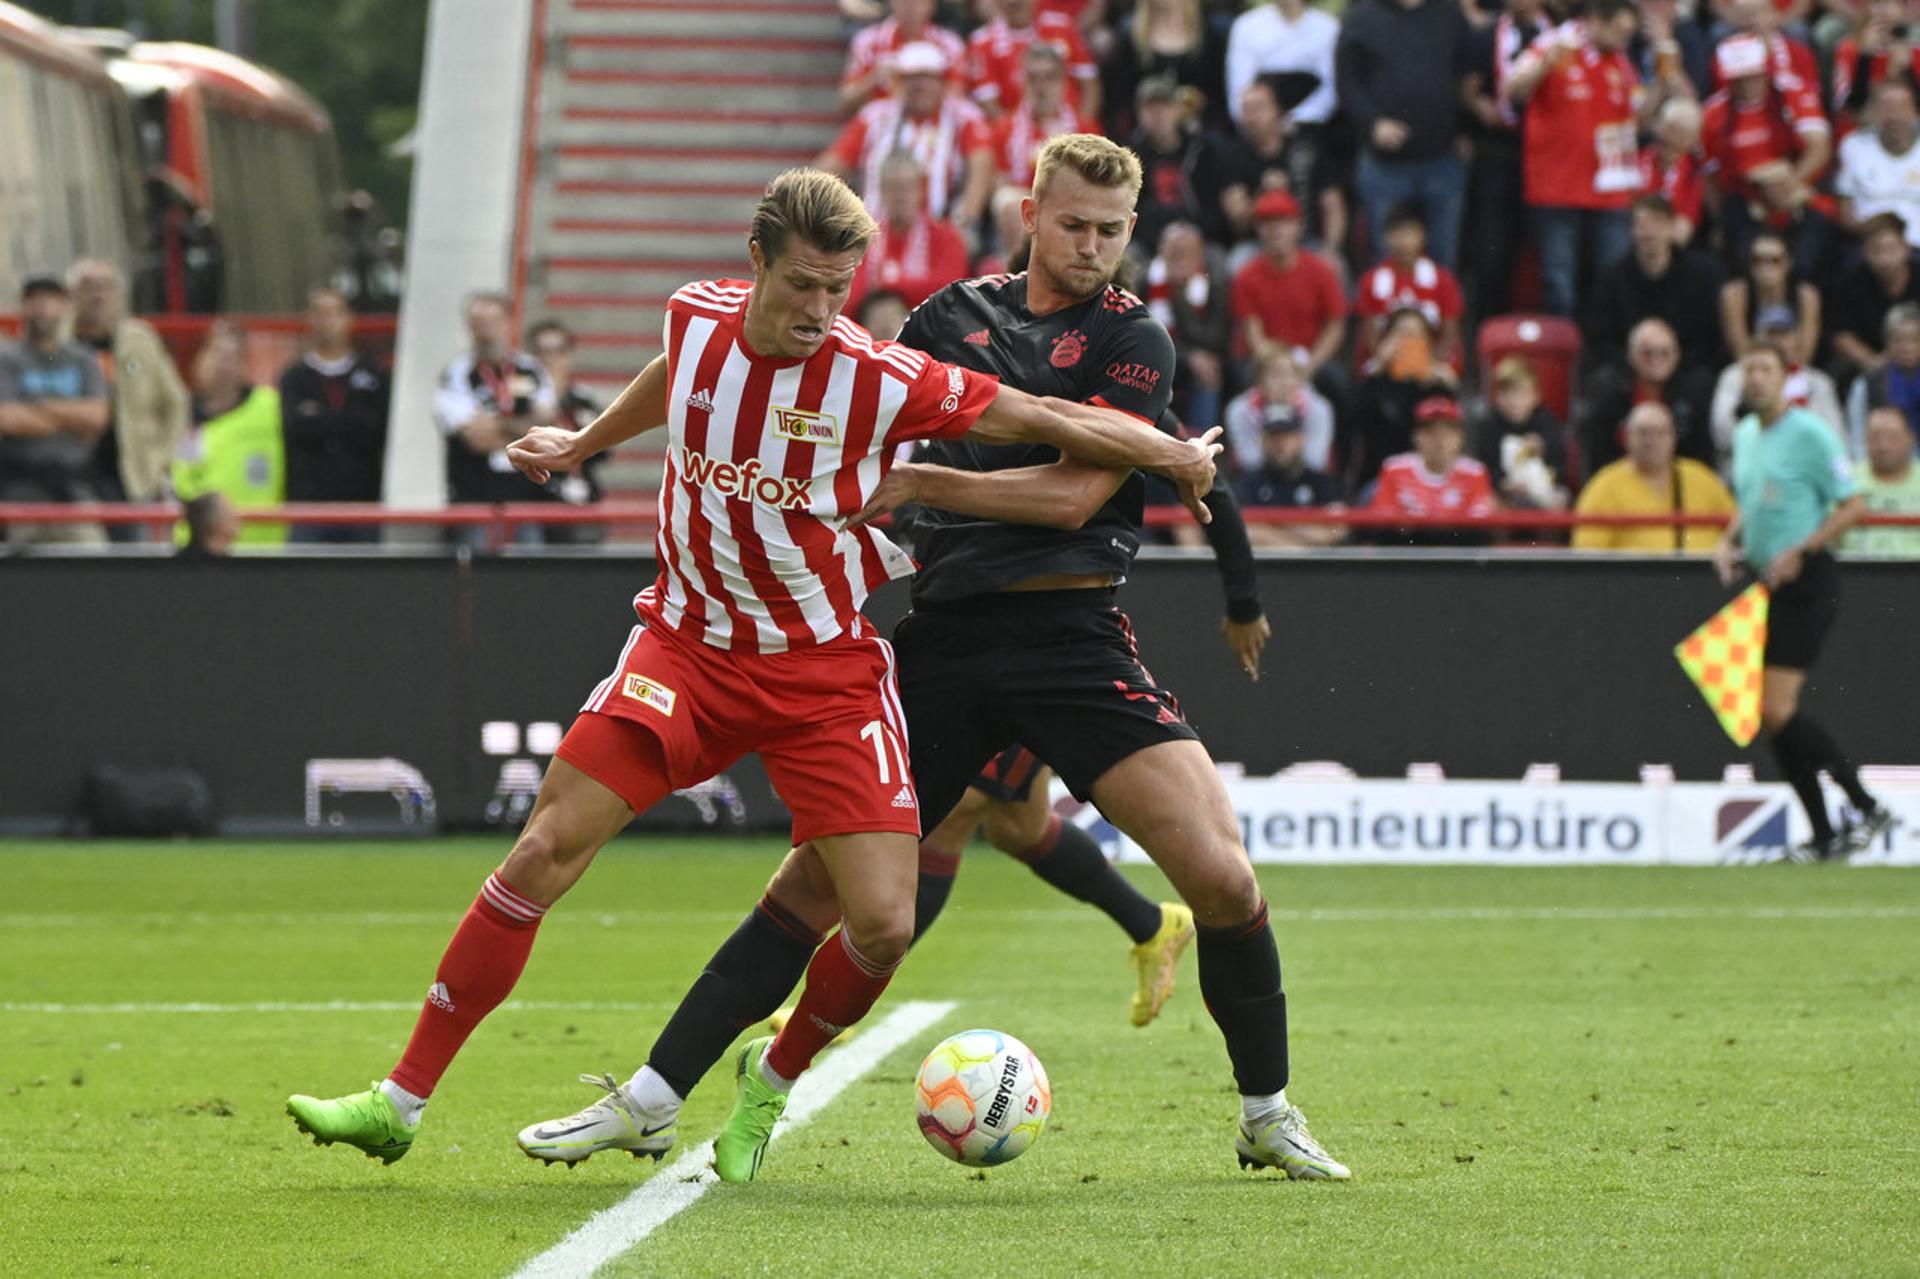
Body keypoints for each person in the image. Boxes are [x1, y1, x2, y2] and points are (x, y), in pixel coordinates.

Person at [287, 165, 1224, 1180]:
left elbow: (1051, 420)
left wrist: (1170, 452)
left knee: (882, 921)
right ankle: (400, 1099)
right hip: (684, 650)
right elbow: (672, 375)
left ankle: (769, 1081)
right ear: (755, 266)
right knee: (543, 849)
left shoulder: (881, 374)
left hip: (824, 671)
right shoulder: (695, 319)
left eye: (840, 288)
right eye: (804, 287)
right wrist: (584, 443)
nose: (823, 311)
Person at [511, 139, 1349, 1183]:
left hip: (1073, 637)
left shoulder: (1136, 339)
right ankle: (654, 1095)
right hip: (944, 640)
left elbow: (1070, 497)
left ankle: (1266, 1111)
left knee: (1222, 878)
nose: (1092, 247)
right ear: (1030, 212)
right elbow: (832, 423)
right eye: (1074, 223)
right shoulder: (946, 319)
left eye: (1112, 229)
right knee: (818, 886)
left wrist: (923, 488)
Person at [1713, 345, 1896, 861]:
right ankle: (1825, 834)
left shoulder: (1812, 433)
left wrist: (1803, 550)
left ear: (1786, 379)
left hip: (1808, 579)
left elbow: (1854, 503)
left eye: (1765, 370)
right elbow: (1750, 503)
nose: (1755, 379)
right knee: (1772, 716)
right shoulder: (1747, 435)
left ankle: (1863, 804)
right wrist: (1730, 540)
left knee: (1775, 707)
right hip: (1767, 582)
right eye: (1748, 370)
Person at [1504, 0, 1649, 319]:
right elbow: (1513, 90)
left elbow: (1639, 117)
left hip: (1610, 190)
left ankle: (1602, 358)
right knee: (1559, 283)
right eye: (1620, 30)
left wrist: (1664, 83)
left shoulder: (1621, 61)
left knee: (1612, 280)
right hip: (1557, 188)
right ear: (1596, 21)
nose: (1625, 39)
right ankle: (1564, 360)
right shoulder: (1555, 44)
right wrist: (1545, 65)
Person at [1335, 0, 1474, 269]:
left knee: (1443, 256)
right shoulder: (1361, 17)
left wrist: (1465, 128)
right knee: (1384, 255)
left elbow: (1465, 76)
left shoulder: (1449, 13)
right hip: (1385, 163)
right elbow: (1347, 84)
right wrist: (1373, 123)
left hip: (1443, 157)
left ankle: (1438, 312)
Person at [65, 258, 191, 533]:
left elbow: (175, 402)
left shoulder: (139, 340)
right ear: (71, 295)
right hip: (72, 473)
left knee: (132, 559)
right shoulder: (58, 345)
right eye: (87, 286)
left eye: (106, 286)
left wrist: (163, 457)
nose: (98, 295)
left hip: (131, 473)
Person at [819, 42, 995, 225]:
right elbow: (827, 170)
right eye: (911, 78)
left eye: (927, 78)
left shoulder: (964, 118)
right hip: (875, 231)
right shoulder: (873, 117)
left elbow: (982, 166)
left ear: (942, 82)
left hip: (942, 227)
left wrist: (966, 219)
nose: (919, 86)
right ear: (898, 83)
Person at [434, 293, 559, 547]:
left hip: (526, 496)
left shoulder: (530, 369)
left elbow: (548, 425)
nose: (485, 330)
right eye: (478, 322)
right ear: (468, 326)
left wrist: (496, 424)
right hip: (475, 497)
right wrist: (522, 427)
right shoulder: (456, 373)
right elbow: (475, 438)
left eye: (492, 321)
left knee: (530, 571)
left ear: (509, 322)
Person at [1699, 33, 1833, 270]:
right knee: (1741, 256)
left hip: (1797, 191)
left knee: (1809, 253)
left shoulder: (1794, 94)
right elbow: (1710, 177)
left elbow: (1819, 148)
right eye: (1738, 79)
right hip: (1745, 201)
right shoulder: (1713, 113)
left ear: (1764, 71)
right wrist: (1719, 222)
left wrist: (1787, 186)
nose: (1746, 86)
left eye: (1752, 77)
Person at [0, 273, 111, 546]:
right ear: (22, 306)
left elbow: (97, 416)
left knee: (97, 568)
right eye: (34, 301)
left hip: (76, 488)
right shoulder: (7, 359)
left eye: (50, 300)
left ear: (64, 306)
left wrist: (37, 405)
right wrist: (71, 418)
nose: (42, 309)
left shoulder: (82, 359)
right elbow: (7, 419)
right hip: (20, 490)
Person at [1461, 0, 1552, 320]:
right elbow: (1468, 88)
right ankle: (1490, 325)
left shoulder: (1560, 35)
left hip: (1549, 158)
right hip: (1500, 153)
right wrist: (1482, 106)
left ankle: (1547, 331)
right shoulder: (1486, 35)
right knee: (1493, 248)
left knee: (1549, 250)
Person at [279, 287, 388, 544]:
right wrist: (351, 420)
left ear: (348, 318)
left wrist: (320, 419)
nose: (326, 322)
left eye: (332, 313)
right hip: (309, 505)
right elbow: (295, 430)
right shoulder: (295, 377)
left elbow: (375, 430)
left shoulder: (373, 373)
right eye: (318, 313)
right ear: (307, 320)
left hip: (363, 503)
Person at [1585, 195, 1726, 380]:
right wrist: (1637, 362)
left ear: (1671, 227)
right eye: (1641, 224)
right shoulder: (1612, 279)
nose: (1649, 232)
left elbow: (1708, 336)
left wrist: (1672, 363)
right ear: (1631, 231)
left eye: (1657, 223)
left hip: (1686, 369)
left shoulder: (1701, 275)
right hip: (1628, 371)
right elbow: (1601, 338)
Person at [1229, 189, 1348, 403]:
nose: (1275, 230)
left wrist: (1309, 366)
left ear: (1297, 226)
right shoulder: (1247, 276)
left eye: (1283, 222)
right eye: (1267, 223)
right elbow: (1253, 333)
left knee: (1338, 382)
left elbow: (1335, 325)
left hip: (1311, 357)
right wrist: (1277, 370)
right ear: (1258, 229)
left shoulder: (1320, 270)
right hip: (1268, 359)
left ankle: (1343, 437)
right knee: (1243, 378)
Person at [174, 324, 285, 546]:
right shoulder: (182, 415)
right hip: (199, 550)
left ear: (245, 365)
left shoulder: (272, 408)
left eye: (231, 357)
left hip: (260, 547)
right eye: (216, 354)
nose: (223, 365)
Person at [1571, 401, 1736, 552]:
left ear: (1673, 437)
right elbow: (1587, 552)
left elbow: (1737, 527)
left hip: (1705, 578)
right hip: (1633, 580)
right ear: (1626, 437)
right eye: (1643, 433)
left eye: (1660, 432)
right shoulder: (1604, 485)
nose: (1652, 440)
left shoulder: (1701, 478)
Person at [1219, 77, 1346, 260]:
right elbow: (1239, 221)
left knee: (1334, 266)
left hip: (1307, 241)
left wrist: (1331, 248)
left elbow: (1333, 204)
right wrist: (1263, 193)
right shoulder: (1233, 156)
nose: (1253, 117)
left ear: (1277, 110)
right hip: (1258, 247)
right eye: (1247, 110)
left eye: (1259, 108)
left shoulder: (1306, 148)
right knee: (1238, 261)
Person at [1345, 305, 1458, 494]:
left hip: (1433, 481)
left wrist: (1447, 388)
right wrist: (1377, 372)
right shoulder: (1375, 382)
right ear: (1387, 339)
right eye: (1402, 334)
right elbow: (1354, 426)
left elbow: (1451, 441)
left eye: (1416, 335)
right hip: (1381, 480)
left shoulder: (1438, 387)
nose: (1408, 341)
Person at [1581, 317, 1719, 469]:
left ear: (1677, 355)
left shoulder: (1693, 395)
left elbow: (1702, 456)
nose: (1656, 359)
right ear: (1631, 355)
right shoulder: (1610, 394)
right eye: (1647, 353)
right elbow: (1597, 455)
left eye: (1664, 353)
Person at [1711, 307, 1844, 464]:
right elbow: (1722, 433)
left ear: (1796, 338)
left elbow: (1835, 437)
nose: (1778, 342)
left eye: (1784, 334)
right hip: (1747, 461)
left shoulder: (1817, 382)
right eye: (1771, 334)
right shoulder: (1735, 374)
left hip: (1805, 464)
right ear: (1757, 336)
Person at [1364, 394, 1498, 544]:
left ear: (1459, 438)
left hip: (1457, 561)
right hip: (1408, 558)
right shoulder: (1394, 469)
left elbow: (1479, 526)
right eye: (1430, 433)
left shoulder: (1475, 473)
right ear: (1416, 437)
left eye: (1446, 433)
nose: (1439, 441)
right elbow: (1383, 522)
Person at [847, 151, 970, 309]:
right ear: (882, 192)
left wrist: (887, 286)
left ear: (920, 191)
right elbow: (852, 294)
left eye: (906, 188)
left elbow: (947, 289)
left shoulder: (946, 237)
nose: (900, 197)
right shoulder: (864, 239)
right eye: (893, 189)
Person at [1144, 220, 1231, 432]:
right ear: (1161, 252)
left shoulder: (1215, 283)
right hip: (1154, 356)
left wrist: (1179, 297)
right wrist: (1189, 356)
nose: (1180, 261)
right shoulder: (1144, 280)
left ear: (1200, 254)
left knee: (1208, 373)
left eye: (1187, 254)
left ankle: (1199, 445)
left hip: (1200, 362)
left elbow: (1213, 338)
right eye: (1174, 254)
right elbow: (1143, 335)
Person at [1353, 205, 1464, 370]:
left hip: (1432, 361)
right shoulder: (1372, 280)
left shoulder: (1443, 280)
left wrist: (1428, 362)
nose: (1404, 241)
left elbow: (1450, 335)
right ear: (1385, 238)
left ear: (1423, 236)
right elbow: (1370, 336)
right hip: (1388, 362)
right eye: (1397, 234)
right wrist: (1385, 358)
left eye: (1410, 233)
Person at [527, 320, 608, 544]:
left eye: (557, 352)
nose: (549, 360)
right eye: (542, 352)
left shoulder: (583, 400)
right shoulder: (522, 401)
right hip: (538, 503)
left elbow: (604, 449)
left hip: (582, 500)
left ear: (569, 355)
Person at [1128, 74, 1230, 250]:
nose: (1158, 115)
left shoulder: (1203, 149)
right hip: (1149, 243)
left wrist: (1195, 233)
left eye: (1165, 107)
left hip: (1200, 238)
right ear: (1139, 113)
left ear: (1177, 110)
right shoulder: (1129, 156)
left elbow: (1214, 204)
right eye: (1151, 108)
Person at [985, 42, 1094, 191]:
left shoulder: (1085, 129)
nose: (1041, 86)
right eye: (1033, 78)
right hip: (1023, 206)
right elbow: (997, 181)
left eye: (1050, 77)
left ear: (1064, 82)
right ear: (1021, 82)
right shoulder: (1004, 130)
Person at [1234, 403, 1345, 546]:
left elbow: (1339, 528)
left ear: (1300, 439)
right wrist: (1298, 544)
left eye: (1287, 436)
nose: (1280, 444)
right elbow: (1243, 530)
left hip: (1315, 566)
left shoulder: (1320, 481)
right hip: (1263, 564)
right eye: (1274, 437)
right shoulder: (1248, 483)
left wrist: (1275, 528)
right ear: (1262, 442)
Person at [1829, 214, 1920, 388]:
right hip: (1873, 362)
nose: (1884, 259)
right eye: (1876, 250)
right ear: (1864, 251)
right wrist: (1873, 362)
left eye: (1891, 249)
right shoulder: (1851, 283)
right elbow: (1841, 335)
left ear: (1905, 247)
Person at [966, 0, 1100, 119]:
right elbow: (991, 108)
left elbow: (1090, 88)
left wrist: (1081, 130)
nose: (1013, 2)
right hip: (1018, 133)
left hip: (1072, 127)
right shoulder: (982, 43)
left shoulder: (1062, 26)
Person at [1224, 0, 1339, 131]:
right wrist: (1263, 121)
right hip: (1258, 131)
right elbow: (1239, 89)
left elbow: (1330, 87)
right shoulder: (1246, 26)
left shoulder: (1328, 28)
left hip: (1315, 129)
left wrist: (1299, 121)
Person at [1474, 356, 1569, 513]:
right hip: (1505, 493)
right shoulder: (1489, 426)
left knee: (1560, 500)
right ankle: (1502, 538)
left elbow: (1560, 466)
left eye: (1522, 394)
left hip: (1543, 490)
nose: (1514, 401)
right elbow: (1485, 467)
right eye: (1507, 394)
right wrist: (1502, 484)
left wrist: (1544, 451)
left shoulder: (1548, 423)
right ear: (1496, 397)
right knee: (1490, 504)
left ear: (1536, 396)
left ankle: (1546, 539)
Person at [838, 0, 967, 114]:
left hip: (934, 128)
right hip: (880, 125)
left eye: (918, 2)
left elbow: (956, 99)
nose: (911, 8)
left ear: (930, 5)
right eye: (903, 1)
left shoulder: (950, 44)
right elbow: (847, 102)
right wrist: (875, 77)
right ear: (892, 3)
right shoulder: (868, 41)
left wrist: (920, 83)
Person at [1224, 347, 1335, 476]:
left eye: (1290, 375)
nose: (1284, 383)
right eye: (1275, 375)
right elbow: (1249, 460)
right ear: (1260, 381)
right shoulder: (1239, 410)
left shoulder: (1319, 408)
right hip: (1257, 482)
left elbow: (1314, 460)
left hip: (1304, 479)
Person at [1836, 78, 1920, 247]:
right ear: (1873, 112)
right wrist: (1878, 237)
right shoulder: (1854, 146)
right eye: (1887, 108)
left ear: (1916, 111)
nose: (1894, 116)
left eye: (1901, 108)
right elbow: (1845, 209)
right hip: (1869, 245)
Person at [1718, 230, 1821, 363]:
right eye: (1757, 261)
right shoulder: (1735, 294)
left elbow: (1805, 355)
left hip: (1794, 368)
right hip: (1751, 369)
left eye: (1775, 261)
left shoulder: (1806, 295)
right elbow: (1740, 353)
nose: (1765, 267)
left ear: (1788, 263)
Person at [1844, 403, 1920, 555]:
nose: (1883, 446)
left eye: (1893, 437)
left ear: (1911, 438)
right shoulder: (1845, 480)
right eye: (1875, 437)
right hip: (1855, 571)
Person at [1848, 302, 1920, 453]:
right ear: (1888, 342)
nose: (1907, 347)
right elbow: (1858, 440)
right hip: (1883, 466)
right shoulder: (1866, 385)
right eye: (1899, 339)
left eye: (1915, 339)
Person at [1638, 98, 1706, 248]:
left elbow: (1682, 233)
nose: (1670, 138)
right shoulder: (1639, 159)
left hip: (1669, 248)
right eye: (1669, 128)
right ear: (1658, 128)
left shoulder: (1694, 173)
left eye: (1680, 132)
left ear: (1691, 140)